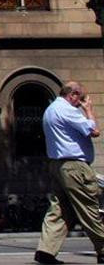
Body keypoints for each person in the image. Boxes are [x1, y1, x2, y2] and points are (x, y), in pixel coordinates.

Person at [35, 81, 104, 265]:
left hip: (58, 165)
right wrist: (88, 110)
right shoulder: (67, 110)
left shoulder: (50, 109)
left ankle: (46, 251)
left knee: (59, 210)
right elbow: (94, 131)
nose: (81, 102)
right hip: (75, 167)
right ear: (72, 95)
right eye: (80, 98)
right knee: (89, 207)